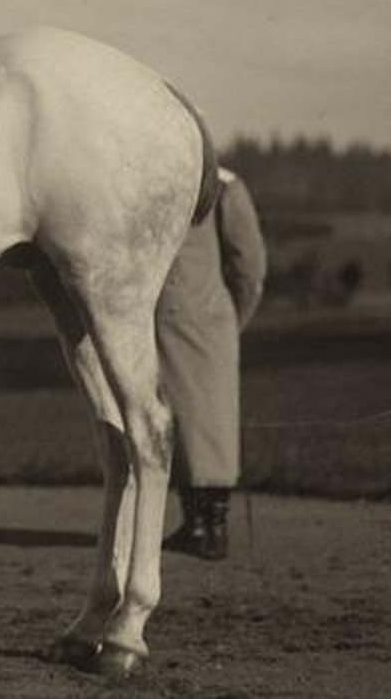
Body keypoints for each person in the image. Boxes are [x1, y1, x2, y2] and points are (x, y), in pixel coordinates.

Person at [157, 166, 268, 560]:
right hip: (206, 318)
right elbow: (250, 270)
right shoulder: (224, 184)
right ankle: (204, 524)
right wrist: (231, 320)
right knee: (204, 422)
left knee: (192, 423)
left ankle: (204, 525)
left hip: (170, 317)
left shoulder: (162, 177)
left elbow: (249, 269)